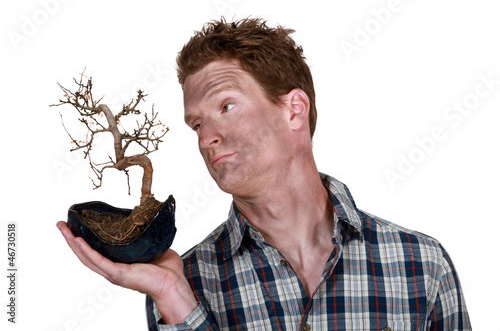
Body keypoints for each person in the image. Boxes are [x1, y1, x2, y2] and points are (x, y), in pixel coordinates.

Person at [57, 18, 471, 330]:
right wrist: (176, 300)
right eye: (197, 124)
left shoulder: (421, 265)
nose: (206, 139)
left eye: (226, 107)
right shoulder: (184, 280)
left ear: (294, 109)